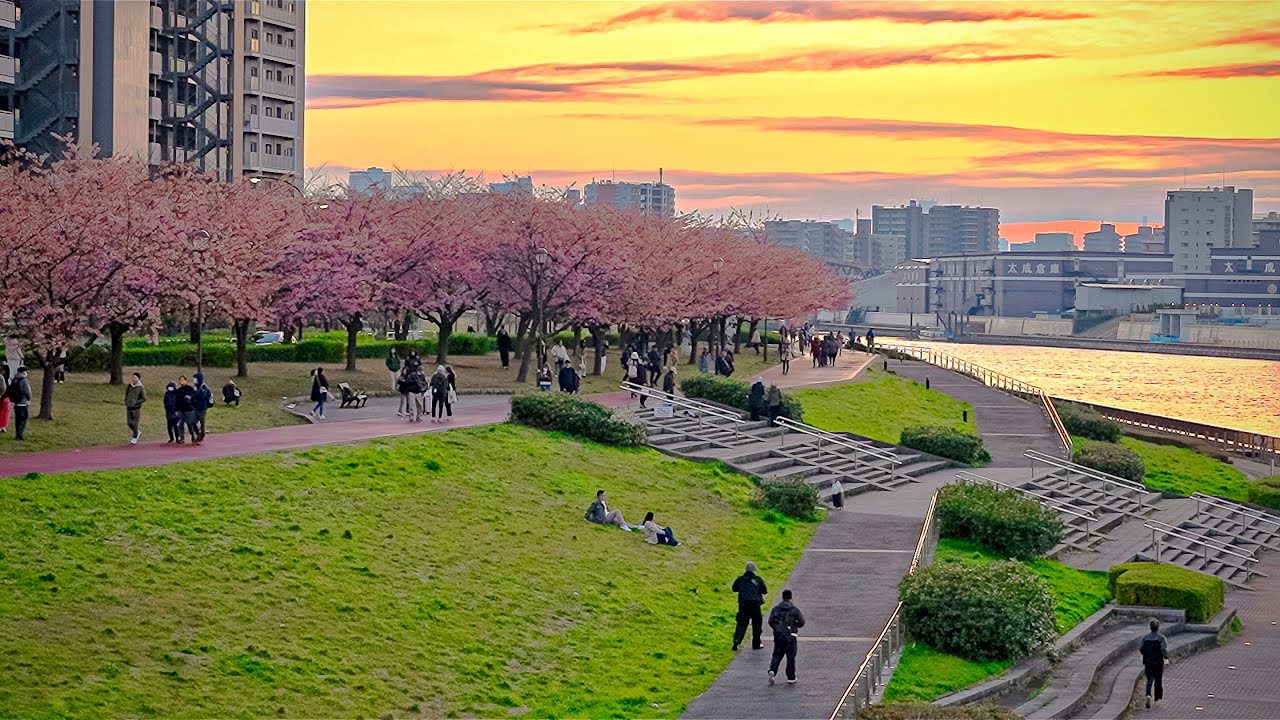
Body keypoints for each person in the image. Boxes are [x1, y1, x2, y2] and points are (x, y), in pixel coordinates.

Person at [767, 589, 805, 685]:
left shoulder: (775, 609)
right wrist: (795, 625)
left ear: (782, 597)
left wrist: (776, 629)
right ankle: (791, 676)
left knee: (777, 655)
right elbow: (801, 622)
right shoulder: (794, 610)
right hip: (791, 636)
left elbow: (770, 621)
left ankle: (772, 670)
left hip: (779, 636)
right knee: (790, 657)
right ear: (791, 598)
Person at [732, 561, 768, 651]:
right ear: (754, 570)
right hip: (755, 606)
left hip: (743, 605)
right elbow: (764, 591)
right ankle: (756, 644)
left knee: (741, 624)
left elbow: (734, 589)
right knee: (756, 625)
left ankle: (737, 640)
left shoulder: (740, 579)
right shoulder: (758, 579)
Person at [1140, 618, 1169, 709]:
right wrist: (1166, 658)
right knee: (1158, 679)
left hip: (1148, 662)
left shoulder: (1145, 638)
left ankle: (1148, 694)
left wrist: (1147, 655)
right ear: (1158, 627)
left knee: (1149, 679)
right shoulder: (1161, 638)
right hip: (1158, 662)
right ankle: (1157, 698)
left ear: (1150, 627)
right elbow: (1163, 649)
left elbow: (1141, 649)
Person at [7, 366, 31, 441]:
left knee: (17, 419)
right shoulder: (24, 380)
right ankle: (20, 435)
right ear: (23, 372)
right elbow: (27, 392)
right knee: (23, 419)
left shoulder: (14, 380)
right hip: (23, 403)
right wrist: (29, 399)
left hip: (16, 403)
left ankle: (17, 433)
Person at [174, 375, 197, 444]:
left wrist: (190, 398)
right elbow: (176, 400)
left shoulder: (190, 389)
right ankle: (181, 438)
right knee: (180, 424)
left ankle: (193, 435)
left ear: (185, 381)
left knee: (190, 423)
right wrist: (175, 409)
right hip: (180, 409)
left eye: (182, 380)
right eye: (180, 380)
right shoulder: (178, 390)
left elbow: (194, 397)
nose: (181, 381)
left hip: (189, 409)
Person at [125, 372, 147, 445]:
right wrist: (126, 401)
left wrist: (136, 402)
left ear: (138, 379)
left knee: (135, 423)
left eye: (135, 377)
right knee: (129, 423)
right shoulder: (129, 386)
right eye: (133, 377)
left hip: (136, 408)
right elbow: (127, 394)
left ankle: (134, 437)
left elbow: (144, 398)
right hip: (129, 407)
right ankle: (137, 431)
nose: (133, 379)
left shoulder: (141, 387)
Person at [192, 372, 213, 441]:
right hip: (195, 407)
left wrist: (195, 395)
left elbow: (202, 396)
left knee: (201, 422)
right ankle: (198, 434)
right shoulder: (194, 387)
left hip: (202, 408)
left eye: (195, 378)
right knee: (193, 422)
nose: (194, 380)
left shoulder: (203, 387)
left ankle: (202, 435)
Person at [0, 367, 8, 434]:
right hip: (3, 397)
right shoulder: (1, 377)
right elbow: (3, 387)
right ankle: (2, 426)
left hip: (3, 397)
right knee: (4, 412)